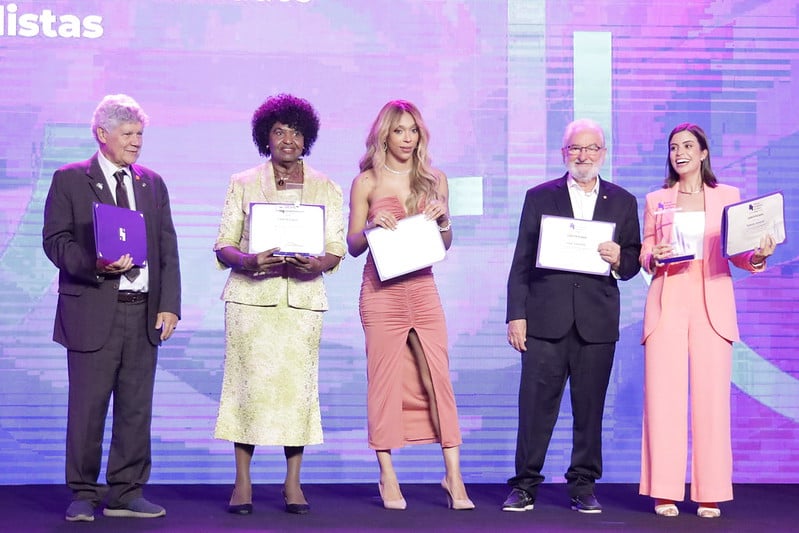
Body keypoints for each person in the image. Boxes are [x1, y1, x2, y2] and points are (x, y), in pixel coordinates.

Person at [42, 94, 181, 522]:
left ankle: (126, 491)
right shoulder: (70, 180)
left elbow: (166, 249)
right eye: (128, 134)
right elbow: (55, 241)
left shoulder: (151, 183)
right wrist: (94, 265)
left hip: (142, 313)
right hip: (92, 310)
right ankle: (83, 493)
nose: (137, 141)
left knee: (137, 408)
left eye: (140, 134)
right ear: (102, 135)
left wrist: (170, 306)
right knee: (88, 408)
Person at [213, 94, 345, 516]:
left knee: (297, 394)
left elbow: (336, 247)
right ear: (264, 137)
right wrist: (249, 261)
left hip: (302, 302)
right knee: (246, 390)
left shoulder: (327, 186)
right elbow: (223, 245)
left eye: (296, 131)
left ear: (307, 137)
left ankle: (293, 484)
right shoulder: (243, 181)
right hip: (251, 301)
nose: (288, 139)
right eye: (279, 131)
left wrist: (317, 264)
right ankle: (243, 483)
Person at [638, 123, 777, 519]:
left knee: (712, 401)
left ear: (703, 153)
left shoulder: (728, 197)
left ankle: (710, 491)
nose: (679, 152)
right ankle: (664, 490)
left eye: (687, 146)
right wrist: (653, 255)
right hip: (667, 299)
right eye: (672, 147)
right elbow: (645, 250)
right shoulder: (656, 199)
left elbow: (739, 254)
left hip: (712, 299)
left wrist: (758, 255)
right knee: (663, 400)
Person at [503, 118, 641, 514]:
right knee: (534, 407)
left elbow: (632, 259)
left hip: (596, 323)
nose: (583, 155)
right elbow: (521, 262)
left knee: (590, 407)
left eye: (591, 148)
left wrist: (621, 259)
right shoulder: (539, 196)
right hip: (545, 319)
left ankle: (582, 484)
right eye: (575, 149)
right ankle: (525, 484)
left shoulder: (622, 201)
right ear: (564, 154)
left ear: (603, 153)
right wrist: (517, 315)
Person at [347, 100, 474, 511]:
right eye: (399, 130)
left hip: (422, 289)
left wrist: (444, 221)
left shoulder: (435, 179)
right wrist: (370, 227)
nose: (407, 138)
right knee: (383, 382)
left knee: (439, 378)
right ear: (384, 133)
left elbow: (446, 244)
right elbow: (351, 246)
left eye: (413, 130)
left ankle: (453, 475)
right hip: (380, 292)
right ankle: (387, 475)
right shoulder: (366, 181)